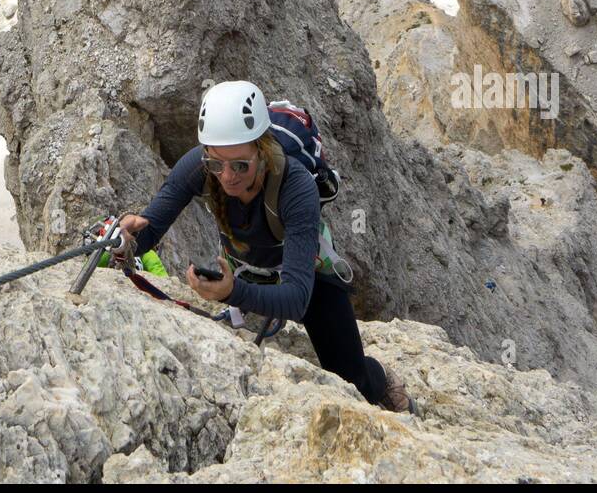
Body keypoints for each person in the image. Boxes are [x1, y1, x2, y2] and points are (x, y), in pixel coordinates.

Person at [119, 79, 416, 414]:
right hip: (246, 269)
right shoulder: (199, 165)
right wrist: (124, 240)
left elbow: (295, 299)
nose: (227, 176)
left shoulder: (296, 187)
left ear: (261, 150)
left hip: (309, 278)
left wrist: (232, 293)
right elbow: (150, 228)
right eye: (217, 164)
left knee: (353, 381)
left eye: (240, 165)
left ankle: (383, 378)